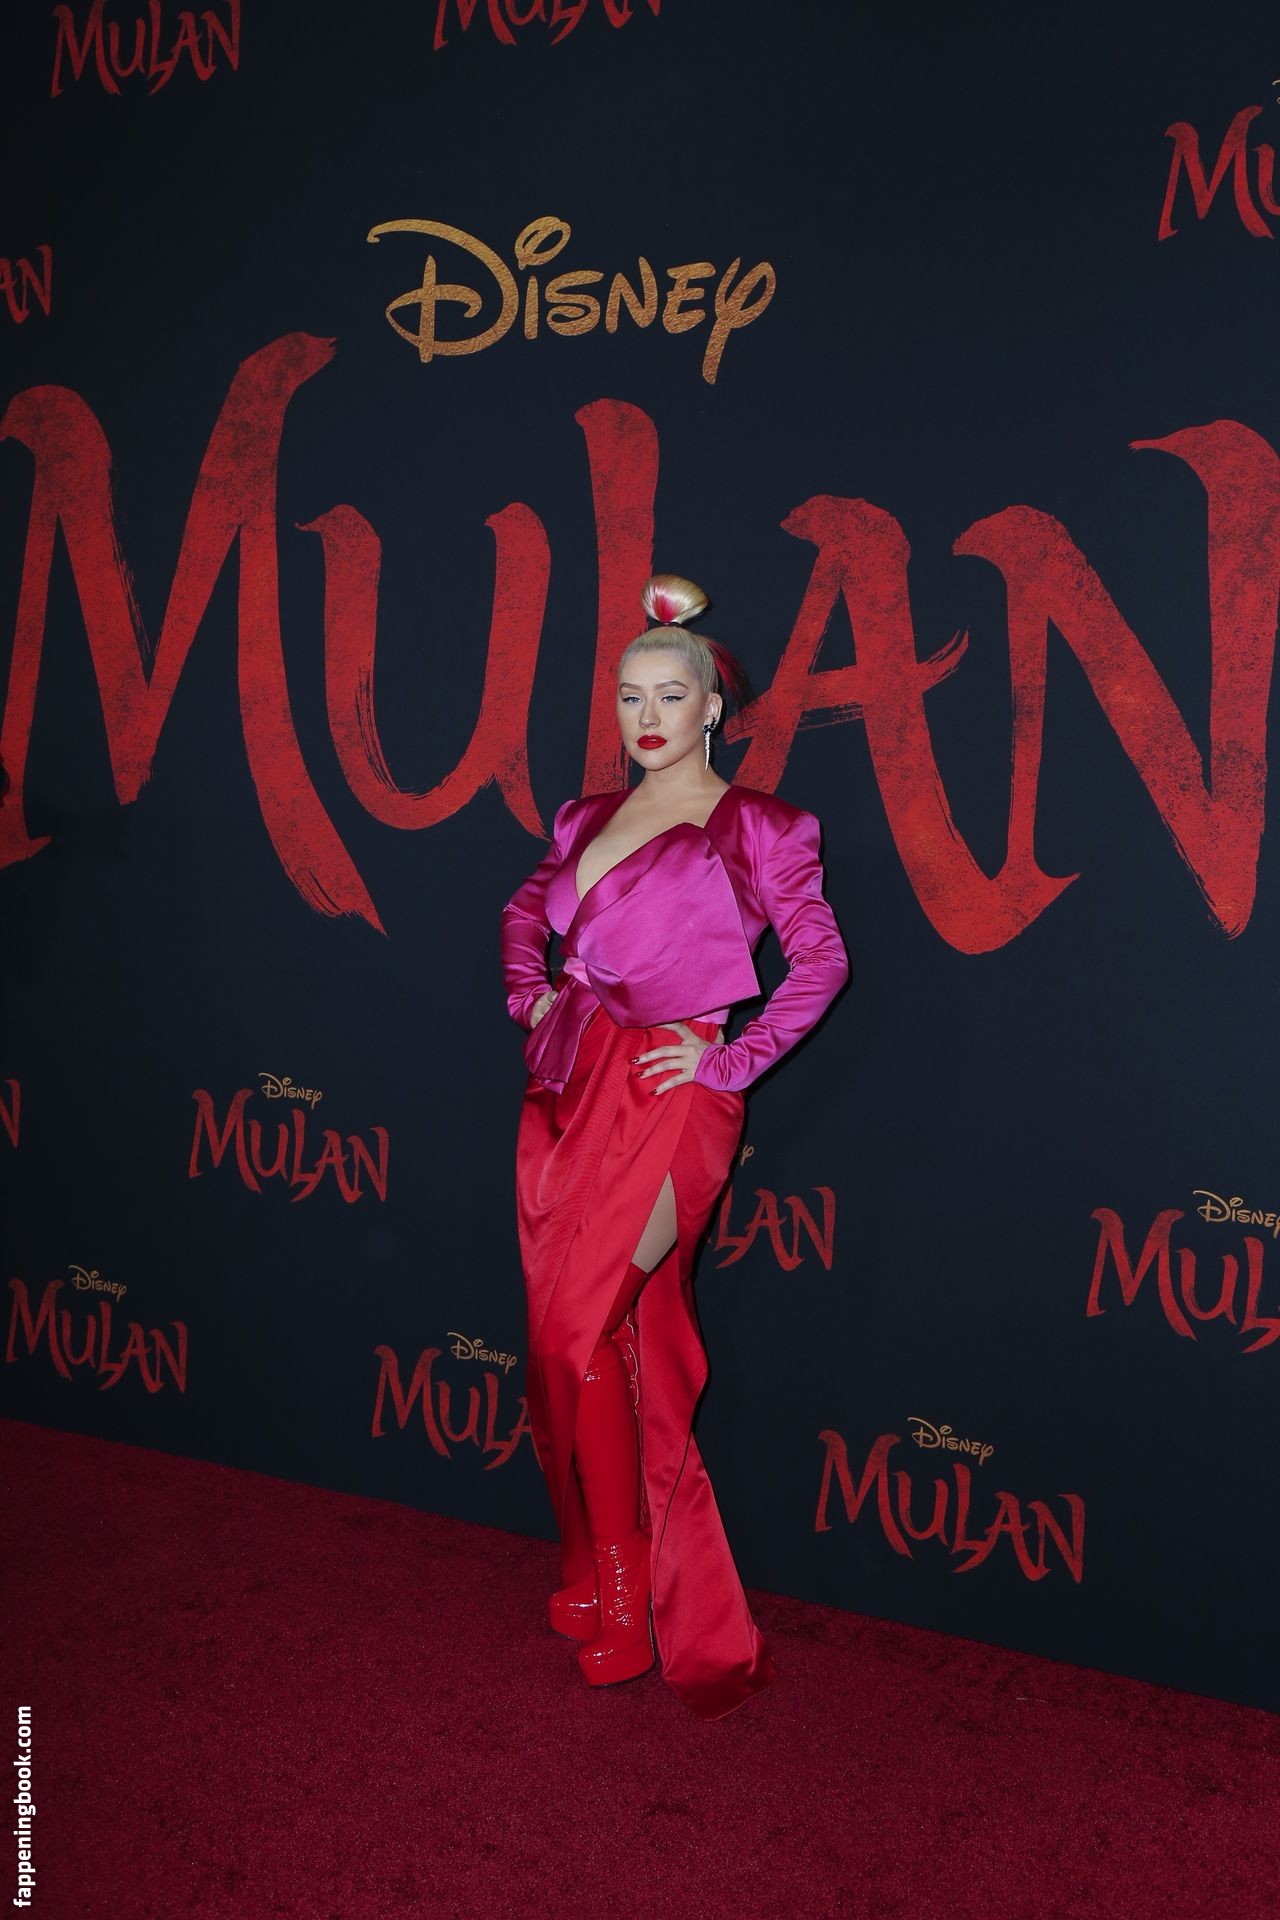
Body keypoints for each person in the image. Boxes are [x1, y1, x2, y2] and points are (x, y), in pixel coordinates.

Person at [501, 572, 849, 1720]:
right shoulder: (582, 818)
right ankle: (595, 1565)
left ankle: (622, 1596)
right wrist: (533, 995)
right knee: (567, 1350)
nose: (646, 716)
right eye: (628, 695)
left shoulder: (762, 826)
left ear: (711, 709)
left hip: (670, 1095)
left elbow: (821, 961)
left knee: (580, 1332)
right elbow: (525, 915)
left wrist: (729, 1061)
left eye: (668, 695)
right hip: (568, 1088)